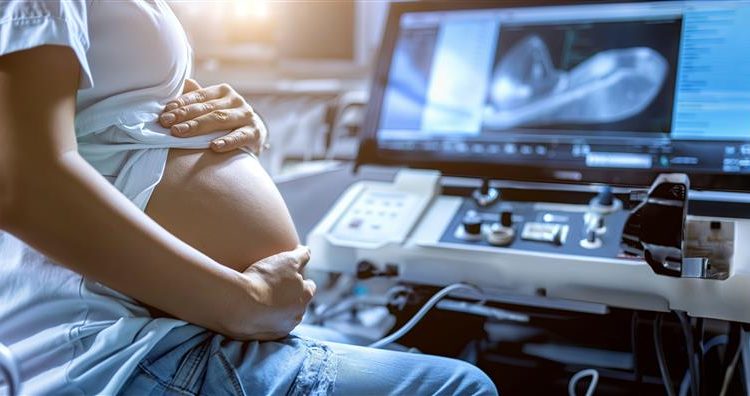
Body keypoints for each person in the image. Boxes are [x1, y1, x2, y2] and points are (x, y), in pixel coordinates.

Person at [0, 1, 498, 395]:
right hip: (117, 345)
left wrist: (234, 130)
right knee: (460, 385)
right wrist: (245, 302)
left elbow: (104, 129)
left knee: (391, 349)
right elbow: (23, 181)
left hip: (166, 324)